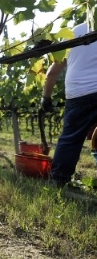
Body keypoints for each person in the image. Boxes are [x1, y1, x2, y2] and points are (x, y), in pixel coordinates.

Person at [41, 22, 97, 187]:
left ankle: (58, 179)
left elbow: (52, 73)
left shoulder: (73, 32)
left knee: (71, 138)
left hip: (78, 92)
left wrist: (46, 98)